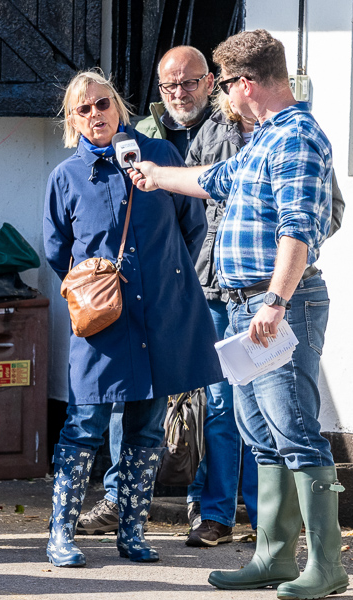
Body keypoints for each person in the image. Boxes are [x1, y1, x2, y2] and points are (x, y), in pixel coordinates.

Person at [129, 29, 349, 599]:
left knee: (295, 431)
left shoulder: (296, 136)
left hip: (275, 305)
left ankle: (327, 566)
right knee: (261, 434)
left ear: (244, 83)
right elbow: (214, 180)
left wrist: (275, 301)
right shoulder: (264, 138)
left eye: (224, 83)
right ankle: (274, 558)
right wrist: (155, 176)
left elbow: (299, 228)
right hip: (241, 305)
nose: (223, 95)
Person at [43, 68, 222, 568]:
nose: (95, 114)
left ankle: (132, 532)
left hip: (160, 315)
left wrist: (162, 277)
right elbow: (58, 252)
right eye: (83, 109)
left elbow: (192, 227)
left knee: (146, 429)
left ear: (118, 107)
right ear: (72, 120)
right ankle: (61, 533)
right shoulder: (65, 177)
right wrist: (99, 286)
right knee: (84, 424)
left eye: (102, 103)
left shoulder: (160, 155)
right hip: (103, 322)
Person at [182, 92, 259, 547]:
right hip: (211, 291)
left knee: (263, 407)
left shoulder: (289, 135)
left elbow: (328, 211)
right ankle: (216, 516)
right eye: (229, 83)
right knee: (220, 407)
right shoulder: (209, 134)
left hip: (264, 295)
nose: (236, 91)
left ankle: (268, 518)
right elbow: (186, 209)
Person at [136, 46, 215, 160]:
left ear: (209, 83)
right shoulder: (143, 132)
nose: (179, 94)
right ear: (160, 89)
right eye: (170, 85)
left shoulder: (230, 128)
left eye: (189, 83)